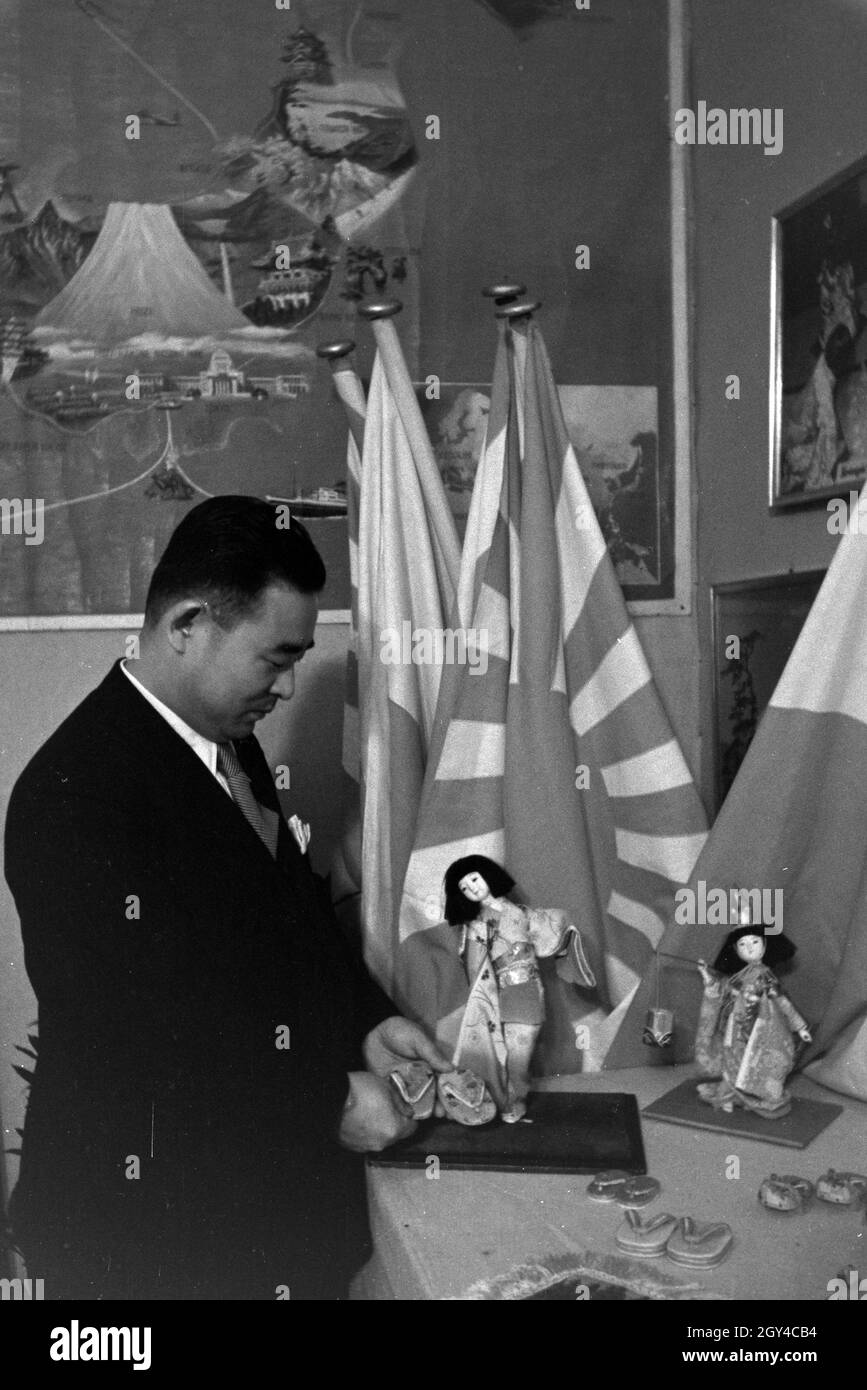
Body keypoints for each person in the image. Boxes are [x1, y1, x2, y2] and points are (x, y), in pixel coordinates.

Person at [4, 494, 449, 1300]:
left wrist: (368, 1023)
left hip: (256, 1207)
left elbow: (292, 922)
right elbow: (137, 1027)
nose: (282, 688)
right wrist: (326, 1100)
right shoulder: (72, 796)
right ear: (186, 625)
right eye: (274, 659)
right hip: (143, 1235)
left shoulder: (231, 747)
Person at [443, 855, 594, 1123]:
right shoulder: (477, 924)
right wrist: (481, 996)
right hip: (502, 991)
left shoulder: (521, 913)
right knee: (512, 1052)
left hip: (529, 988)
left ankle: (513, 1097)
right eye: (465, 887)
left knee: (521, 1048)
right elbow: (476, 968)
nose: (472, 888)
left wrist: (567, 931)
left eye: (475, 879)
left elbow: (551, 931)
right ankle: (512, 1100)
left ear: (488, 875)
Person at [695, 918, 811, 1119]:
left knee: (754, 1064)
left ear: (764, 945)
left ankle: (747, 1098)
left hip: (759, 1028)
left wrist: (799, 1026)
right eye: (742, 944)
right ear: (736, 949)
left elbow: (782, 1002)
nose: (749, 948)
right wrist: (709, 978)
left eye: (754, 942)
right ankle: (729, 1098)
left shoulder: (766, 977)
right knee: (732, 1060)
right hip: (734, 1025)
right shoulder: (737, 977)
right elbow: (722, 992)